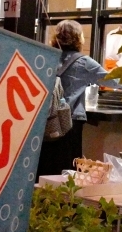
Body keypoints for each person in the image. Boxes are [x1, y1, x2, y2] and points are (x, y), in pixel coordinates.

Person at [36, 20, 109, 177]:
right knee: (67, 167)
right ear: (78, 38)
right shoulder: (83, 62)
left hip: (45, 119)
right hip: (70, 122)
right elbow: (114, 81)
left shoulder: (46, 58)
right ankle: (64, 200)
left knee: (45, 164)